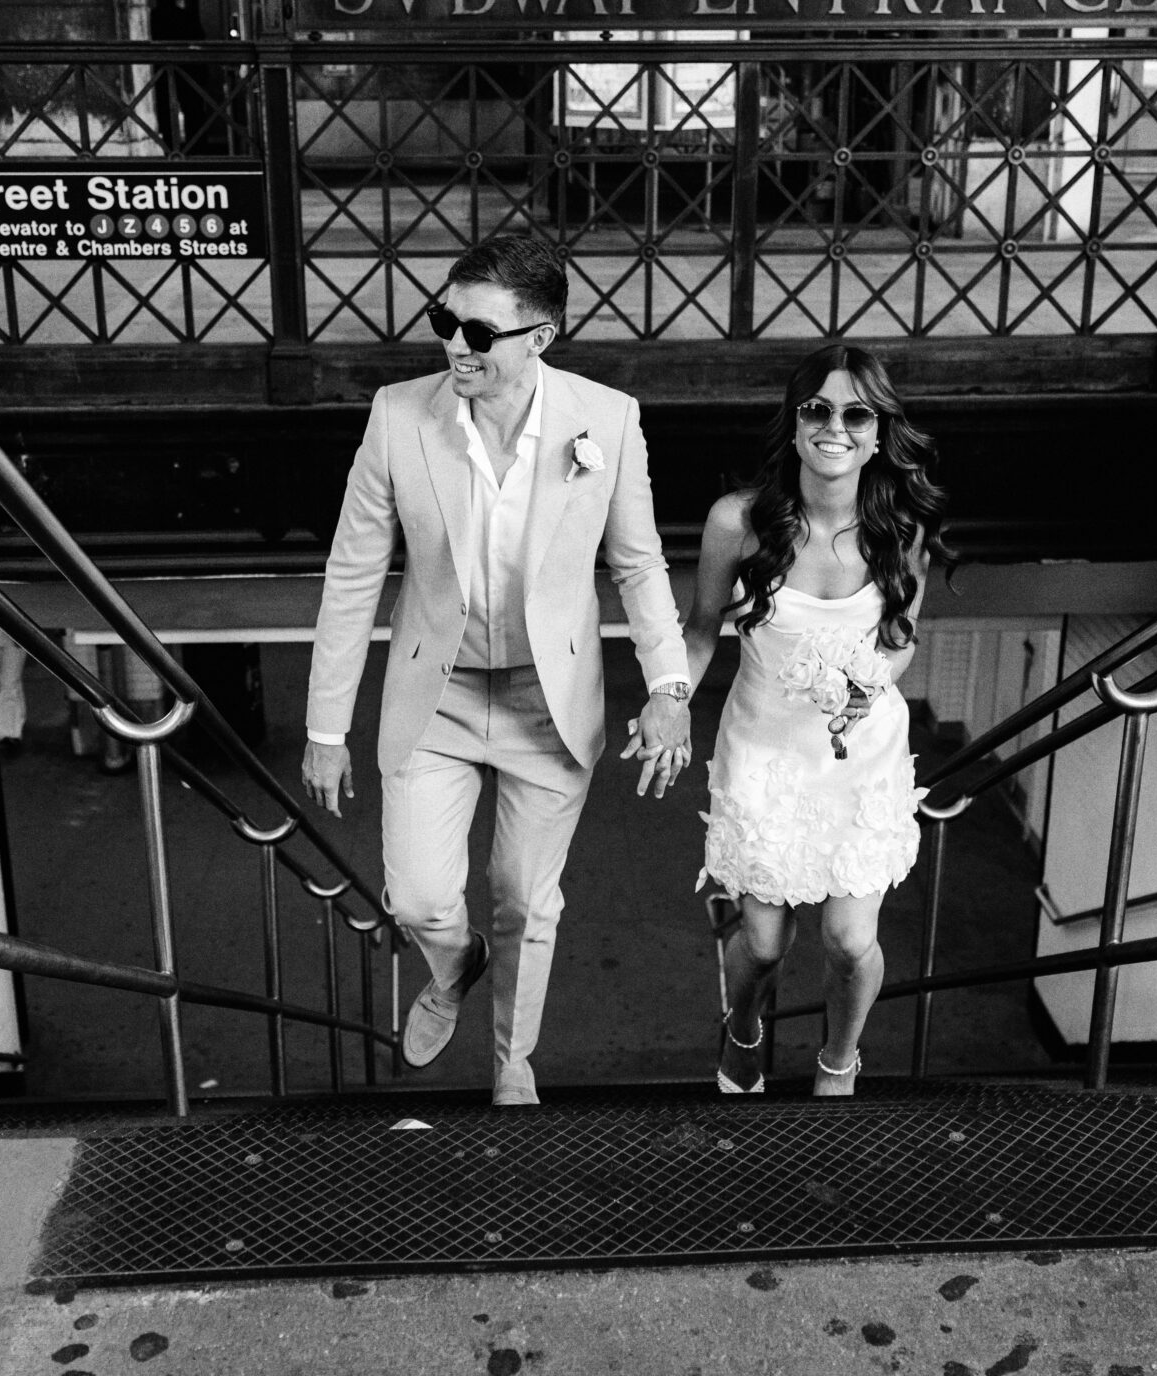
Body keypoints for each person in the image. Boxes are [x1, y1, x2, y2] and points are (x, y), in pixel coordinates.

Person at [301, 233, 693, 1107]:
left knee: (526, 899)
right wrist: (325, 726)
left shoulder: (609, 419)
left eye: (479, 331)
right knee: (420, 898)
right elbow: (354, 572)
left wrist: (669, 686)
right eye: (445, 320)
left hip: (545, 703)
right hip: (432, 697)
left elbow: (639, 566)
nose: (454, 344)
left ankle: (511, 1059)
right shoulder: (399, 415)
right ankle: (454, 964)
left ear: (540, 337)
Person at [681, 344, 949, 1097]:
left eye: (855, 413)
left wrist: (870, 687)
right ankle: (741, 1027)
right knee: (763, 945)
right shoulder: (738, 521)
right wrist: (668, 701)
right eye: (818, 410)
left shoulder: (901, 530)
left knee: (849, 937)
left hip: (858, 759)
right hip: (765, 752)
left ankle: (838, 1062)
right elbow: (702, 628)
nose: (835, 427)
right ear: (795, 424)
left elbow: (898, 643)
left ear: (876, 431)